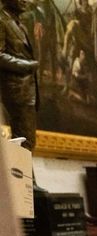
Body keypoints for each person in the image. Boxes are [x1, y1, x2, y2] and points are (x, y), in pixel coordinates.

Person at [0, 0, 40, 151]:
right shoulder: (2, 21)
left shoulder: (18, 24)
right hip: (15, 90)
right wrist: (27, 66)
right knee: (24, 143)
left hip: (25, 91)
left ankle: (24, 174)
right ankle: (21, 174)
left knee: (26, 142)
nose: (26, 1)